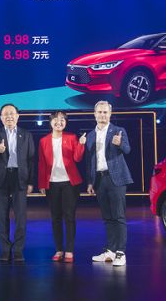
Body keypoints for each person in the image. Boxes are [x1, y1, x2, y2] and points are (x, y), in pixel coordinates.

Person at [83, 100, 132, 267]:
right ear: (94, 114)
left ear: (110, 114)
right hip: (99, 179)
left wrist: (120, 144)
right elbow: (89, 161)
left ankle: (121, 252)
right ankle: (110, 251)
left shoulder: (118, 130)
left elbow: (127, 149)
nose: (102, 115)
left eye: (105, 112)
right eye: (100, 112)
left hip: (116, 178)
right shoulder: (90, 135)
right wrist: (90, 182)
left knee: (119, 216)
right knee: (107, 217)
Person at [0, 103, 35, 262]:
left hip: (19, 177)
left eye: (12, 113)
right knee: (2, 216)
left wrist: (31, 182)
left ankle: (18, 250)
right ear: (1, 117)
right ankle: (5, 249)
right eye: (6, 114)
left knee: (20, 216)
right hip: (1, 178)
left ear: (17, 116)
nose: (9, 116)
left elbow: (31, 159)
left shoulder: (26, 134)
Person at [37, 111, 84, 263]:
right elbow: (42, 163)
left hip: (70, 183)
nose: (59, 122)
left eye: (62, 119)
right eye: (56, 119)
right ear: (50, 122)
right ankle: (59, 250)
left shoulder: (71, 137)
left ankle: (69, 251)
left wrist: (81, 144)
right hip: (52, 183)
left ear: (66, 122)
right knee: (55, 217)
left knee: (69, 217)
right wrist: (42, 183)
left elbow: (77, 158)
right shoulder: (44, 141)